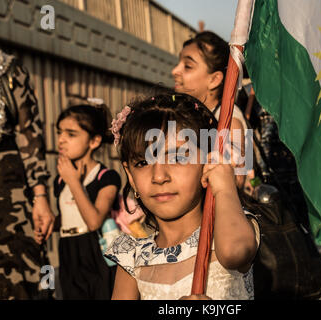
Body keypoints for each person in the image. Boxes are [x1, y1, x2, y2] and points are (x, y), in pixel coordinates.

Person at [105, 93, 260, 300]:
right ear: (131, 177)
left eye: (177, 157)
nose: (159, 176)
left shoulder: (229, 231)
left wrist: (224, 188)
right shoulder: (133, 259)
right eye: (142, 163)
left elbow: (235, 252)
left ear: (207, 162)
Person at [0, 0, 55, 299]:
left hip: (8, 190)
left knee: (21, 277)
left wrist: (41, 198)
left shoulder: (9, 70)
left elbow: (29, 136)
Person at [54, 103, 121, 299]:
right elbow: (69, 214)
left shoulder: (105, 177)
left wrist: (74, 181)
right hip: (67, 250)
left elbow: (93, 221)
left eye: (71, 134)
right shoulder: (59, 179)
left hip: (93, 251)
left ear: (94, 141)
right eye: (60, 132)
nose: (61, 140)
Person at [171, 31, 251, 191]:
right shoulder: (190, 114)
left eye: (187, 66)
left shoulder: (230, 120)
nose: (175, 71)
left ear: (214, 79)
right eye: (179, 62)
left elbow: (236, 181)